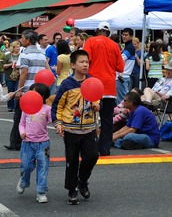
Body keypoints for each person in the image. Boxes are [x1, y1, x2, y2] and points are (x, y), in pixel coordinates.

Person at [52, 50, 100, 205]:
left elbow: (98, 99)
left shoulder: (93, 81)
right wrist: (58, 123)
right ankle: (72, 190)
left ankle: (82, 180)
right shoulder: (67, 84)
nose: (85, 64)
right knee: (72, 161)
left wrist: (98, 104)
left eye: (87, 61)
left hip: (89, 129)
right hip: (71, 130)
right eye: (81, 61)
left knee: (92, 156)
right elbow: (57, 106)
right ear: (73, 65)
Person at [83, 21, 124, 156]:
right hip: (109, 87)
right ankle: (104, 149)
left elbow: (85, 60)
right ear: (108, 32)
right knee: (107, 120)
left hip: (93, 86)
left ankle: (89, 148)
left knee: (88, 118)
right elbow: (120, 67)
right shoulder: (114, 45)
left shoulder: (90, 42)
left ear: (97, 30)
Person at [5, 30, 50, 152]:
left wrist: (19, 90)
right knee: (34, 117)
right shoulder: (41, 54)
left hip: (27, 90)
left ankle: (15, 142)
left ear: (28, 40)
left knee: (19, 116)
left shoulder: (24, 54)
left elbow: (24, 73)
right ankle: (32, 139)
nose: (21, 40)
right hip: (38, 90)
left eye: (22, 38)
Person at [17, 82, 53, 203]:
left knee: (43, 167)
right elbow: (22, 123)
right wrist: (22, 132)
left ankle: (41, 191)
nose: (30, 94)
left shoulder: (47, 109)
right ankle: (23, 181)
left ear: (41, 96)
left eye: (34, 92)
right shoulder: (26, 108)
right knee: (26, 165)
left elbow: (53, 121)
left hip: (43, 143)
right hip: (27, 143)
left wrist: (59, 126)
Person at [116, 27, 135, 103]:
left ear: (131, 36)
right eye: (123, 35)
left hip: (123, 77)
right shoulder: (127, 47)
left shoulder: (129, 48)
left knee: (122, 101)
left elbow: (119, 60)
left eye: (126, 35)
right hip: (124, 76)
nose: (124, 36)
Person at [4, 41, 21, 112]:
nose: (18, 48)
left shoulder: (21, 55)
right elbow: (4, 66)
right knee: (10, 90)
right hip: (9, 76)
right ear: (13, 48)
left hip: (18, 76)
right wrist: (10, 64)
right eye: (17, 47)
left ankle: (15, 106)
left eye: (19, 47)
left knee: (17, 90)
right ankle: (10, 106)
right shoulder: (8, 56)